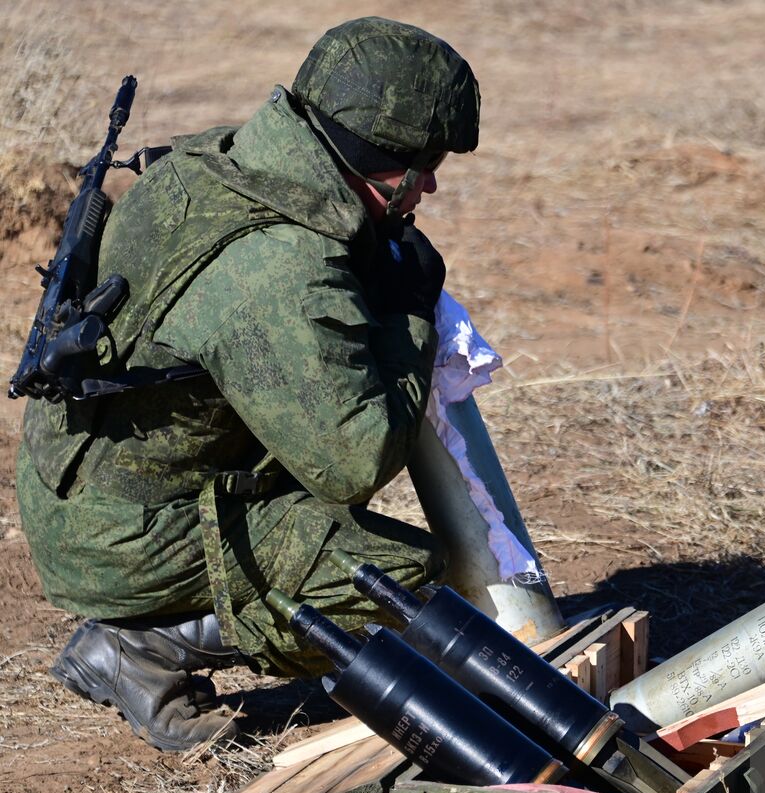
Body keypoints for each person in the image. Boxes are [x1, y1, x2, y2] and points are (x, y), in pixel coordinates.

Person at [16, 17, 480, 750]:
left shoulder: (224, 160)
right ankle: (146, 644)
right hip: (122, 533)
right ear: (370, 151)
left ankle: (145, 630)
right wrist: (405, 314)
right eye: (421, 165)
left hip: (81, 481)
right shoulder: (277, 264)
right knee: (397, 585)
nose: (428, 185)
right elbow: (353, 461)